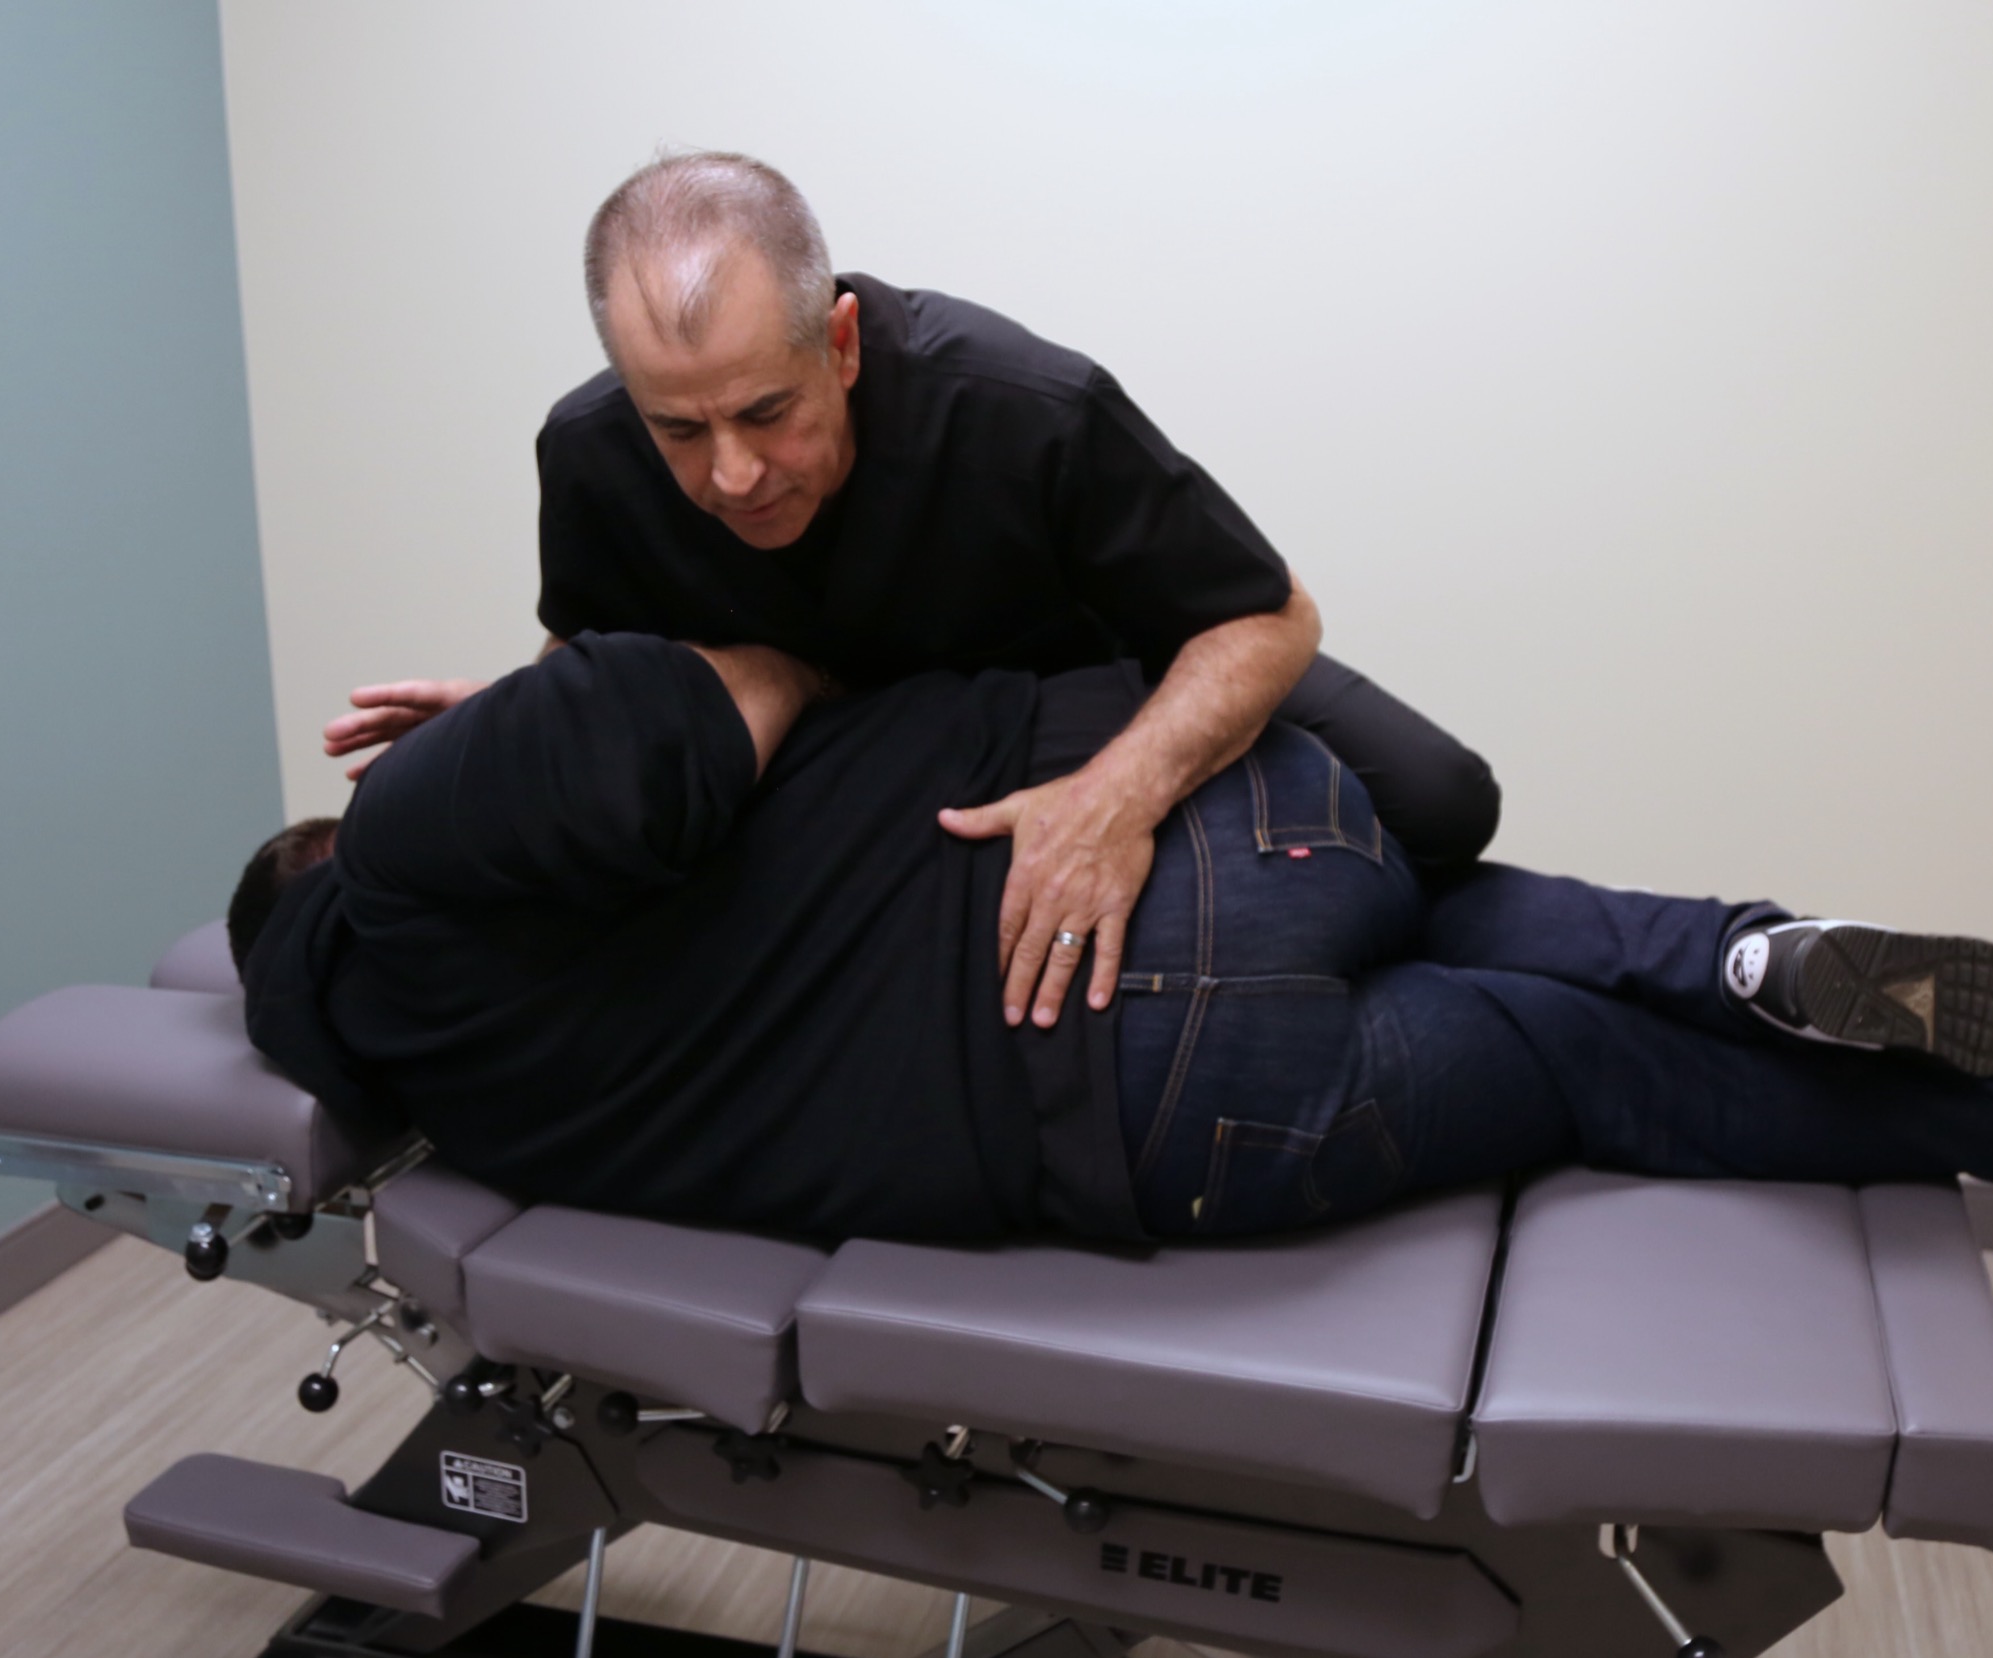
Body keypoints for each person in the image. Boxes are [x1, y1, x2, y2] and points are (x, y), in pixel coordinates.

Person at [238, 634, 1993, 1247]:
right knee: (1518, 910)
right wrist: (511, 721)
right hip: (1223, 844)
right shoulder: (417, 845)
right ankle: (1750, 949)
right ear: (339, 838)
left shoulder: (459, 1100)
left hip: (1175, 1122)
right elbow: (735, 680)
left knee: (1588, 1068)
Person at [316, 150, 1499, 1052]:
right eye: (679, 429)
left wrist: (1114, 800)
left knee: (1445, 798)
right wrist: (514, 731)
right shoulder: (588, 451)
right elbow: (596, 649)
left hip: (1108, 686)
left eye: (767, 413)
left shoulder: (1021, 405)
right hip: (872, 766)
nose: (733, 473)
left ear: (839, 343)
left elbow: (1270, 614)